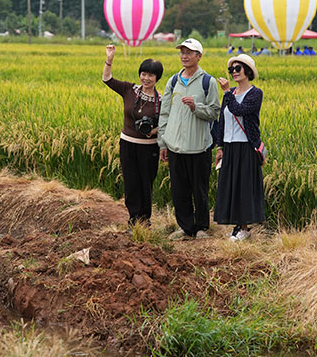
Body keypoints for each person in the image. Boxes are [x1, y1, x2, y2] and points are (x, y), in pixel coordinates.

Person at [158, 38, 220, 240]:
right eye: (182, 52)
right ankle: (186, 227)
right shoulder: (173, 81)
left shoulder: (207, 82)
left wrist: (196, 107)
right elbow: (164, 113)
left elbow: (214, 112)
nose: (184, 56)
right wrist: (163, 143)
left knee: (199, 190)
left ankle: (201, 227)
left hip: (199, 147)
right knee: (179, 190)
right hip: (175, 146)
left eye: (189, 52)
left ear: (199, 56)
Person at [103, 44, 164, 226]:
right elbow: (107, 79)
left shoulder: (161, 100)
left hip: (150, 147)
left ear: (157, 78)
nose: (146, 78)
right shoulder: (129, 90)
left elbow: (168, 122)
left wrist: (155, 130)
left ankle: (145, 219)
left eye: (150, 75)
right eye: (143, 74)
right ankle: (133, 218)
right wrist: (110, 58)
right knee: (131, 182)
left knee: (146, 183)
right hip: (128, 143)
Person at [214, 54, 264, 241]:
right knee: (231, 186)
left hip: (246, 146)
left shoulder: (255, 93)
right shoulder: (231, 93)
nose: (234, 72)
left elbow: (240, 110)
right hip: (230, 146)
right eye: (231, 69)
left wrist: (227, 92)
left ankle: (245, 228)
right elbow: (222, 120)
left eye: (238, 69)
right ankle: (237, 227)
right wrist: (220, 147)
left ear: (248, 71)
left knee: (244, 187)